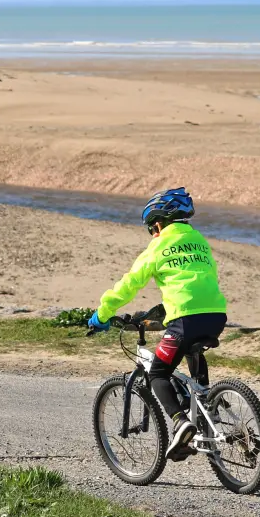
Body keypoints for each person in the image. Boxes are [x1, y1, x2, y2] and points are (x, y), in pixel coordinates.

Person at [88, 187, 227, 460]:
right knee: (192, 349)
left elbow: (128, 285)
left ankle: (180, 421)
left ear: (159, 223)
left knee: (158, 374)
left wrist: (102, 314)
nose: (153, 233)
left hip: (185, 318)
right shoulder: (199, 240)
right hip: (216, 314)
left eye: (152, 228)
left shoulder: (158, 246)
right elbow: (200, 276)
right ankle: (207, 405)